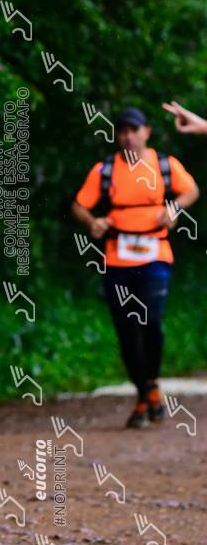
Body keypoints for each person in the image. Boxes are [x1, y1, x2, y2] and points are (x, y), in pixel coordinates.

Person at [71, 107, 199, 428]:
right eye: (122, 131)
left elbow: (191, 190)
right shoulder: (105, 170)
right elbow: (79, 205)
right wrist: (93, 222)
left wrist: (174, 208)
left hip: (155, 256)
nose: (128, 136)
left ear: (146, 132)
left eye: (134, 130)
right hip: (117, 260)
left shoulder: (165, 165)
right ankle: (146, 395)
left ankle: (149, 385)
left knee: (151, 322)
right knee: (127, 330)